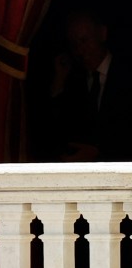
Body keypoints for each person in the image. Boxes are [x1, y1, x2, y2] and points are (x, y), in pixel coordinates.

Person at [46, 9, 131, 162]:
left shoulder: (126, 74)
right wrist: (59, 81)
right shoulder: (75, 80)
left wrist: (98, 152)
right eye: (74, 44)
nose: (80, 50)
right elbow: (55, 128)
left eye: (84, 40)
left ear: (102, 34)